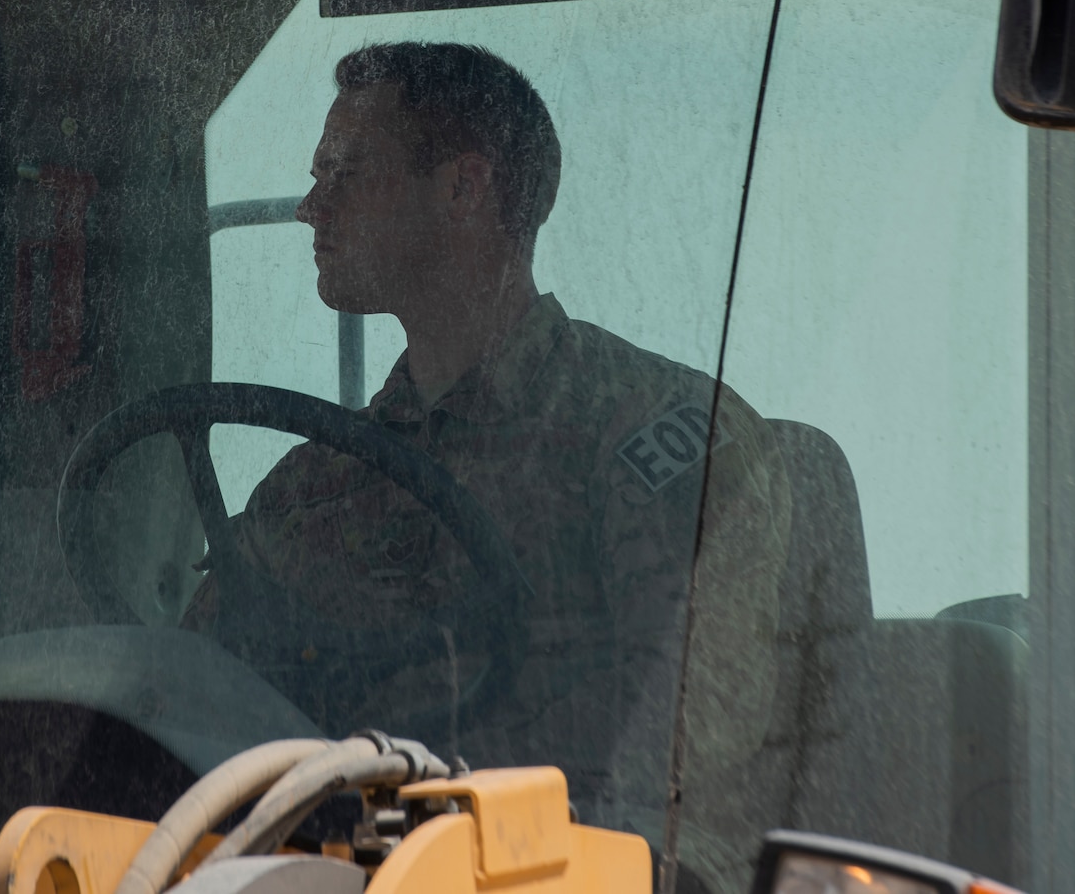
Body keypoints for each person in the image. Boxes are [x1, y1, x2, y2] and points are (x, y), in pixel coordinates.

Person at [189, 42, 790, 877]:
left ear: (464, 188)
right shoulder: (314, 479)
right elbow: (184, 695)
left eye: (346, 173)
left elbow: (692, 738)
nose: (309, 206)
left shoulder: (656, 430)